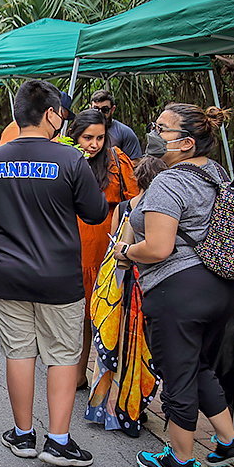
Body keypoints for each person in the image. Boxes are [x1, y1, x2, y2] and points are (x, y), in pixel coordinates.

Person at [0, 79, 108, 467]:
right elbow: (96, 212)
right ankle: (58, 441)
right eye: (61, 113)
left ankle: (23, 434)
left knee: (19, 352)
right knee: (62, 355)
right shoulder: (71, 160)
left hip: (8, 276)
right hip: (59, 278)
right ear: (51, 114)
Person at [113, 103, 234, 467]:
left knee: (177, 372)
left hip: (178, 291)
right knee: (197, 365)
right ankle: (229, 441)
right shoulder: (216, 173)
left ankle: (180, 458)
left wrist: (126, 251)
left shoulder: (169, 182)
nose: (154, 133)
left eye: (162, 128)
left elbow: (159, 248)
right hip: (220, 288)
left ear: (186, 142)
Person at [84, 155, 166, 437]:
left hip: (118, 287)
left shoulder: (123, 207)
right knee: (138, 349)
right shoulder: (159, 211)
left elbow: (112, 247)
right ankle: (127, 409)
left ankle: (106, 408)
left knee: (113, 349)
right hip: (142, 286)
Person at [66, 109, 139, 390]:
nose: (94, 144)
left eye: (99, 138)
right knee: (80, 314)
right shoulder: (65, 158)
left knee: (104, 312)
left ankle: (105, 376)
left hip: (106, 249)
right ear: (75, 136)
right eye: (87, 138)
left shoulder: (117, 160)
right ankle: (77, 371)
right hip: (72, 247)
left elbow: (134, 200)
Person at [90, 89, 143, 162]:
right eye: (96, 109)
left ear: (112, 110)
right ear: (90, 108)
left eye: (105, 110)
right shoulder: (82, 130)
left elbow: (136, 162)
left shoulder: (124, 132)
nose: (100, 113)